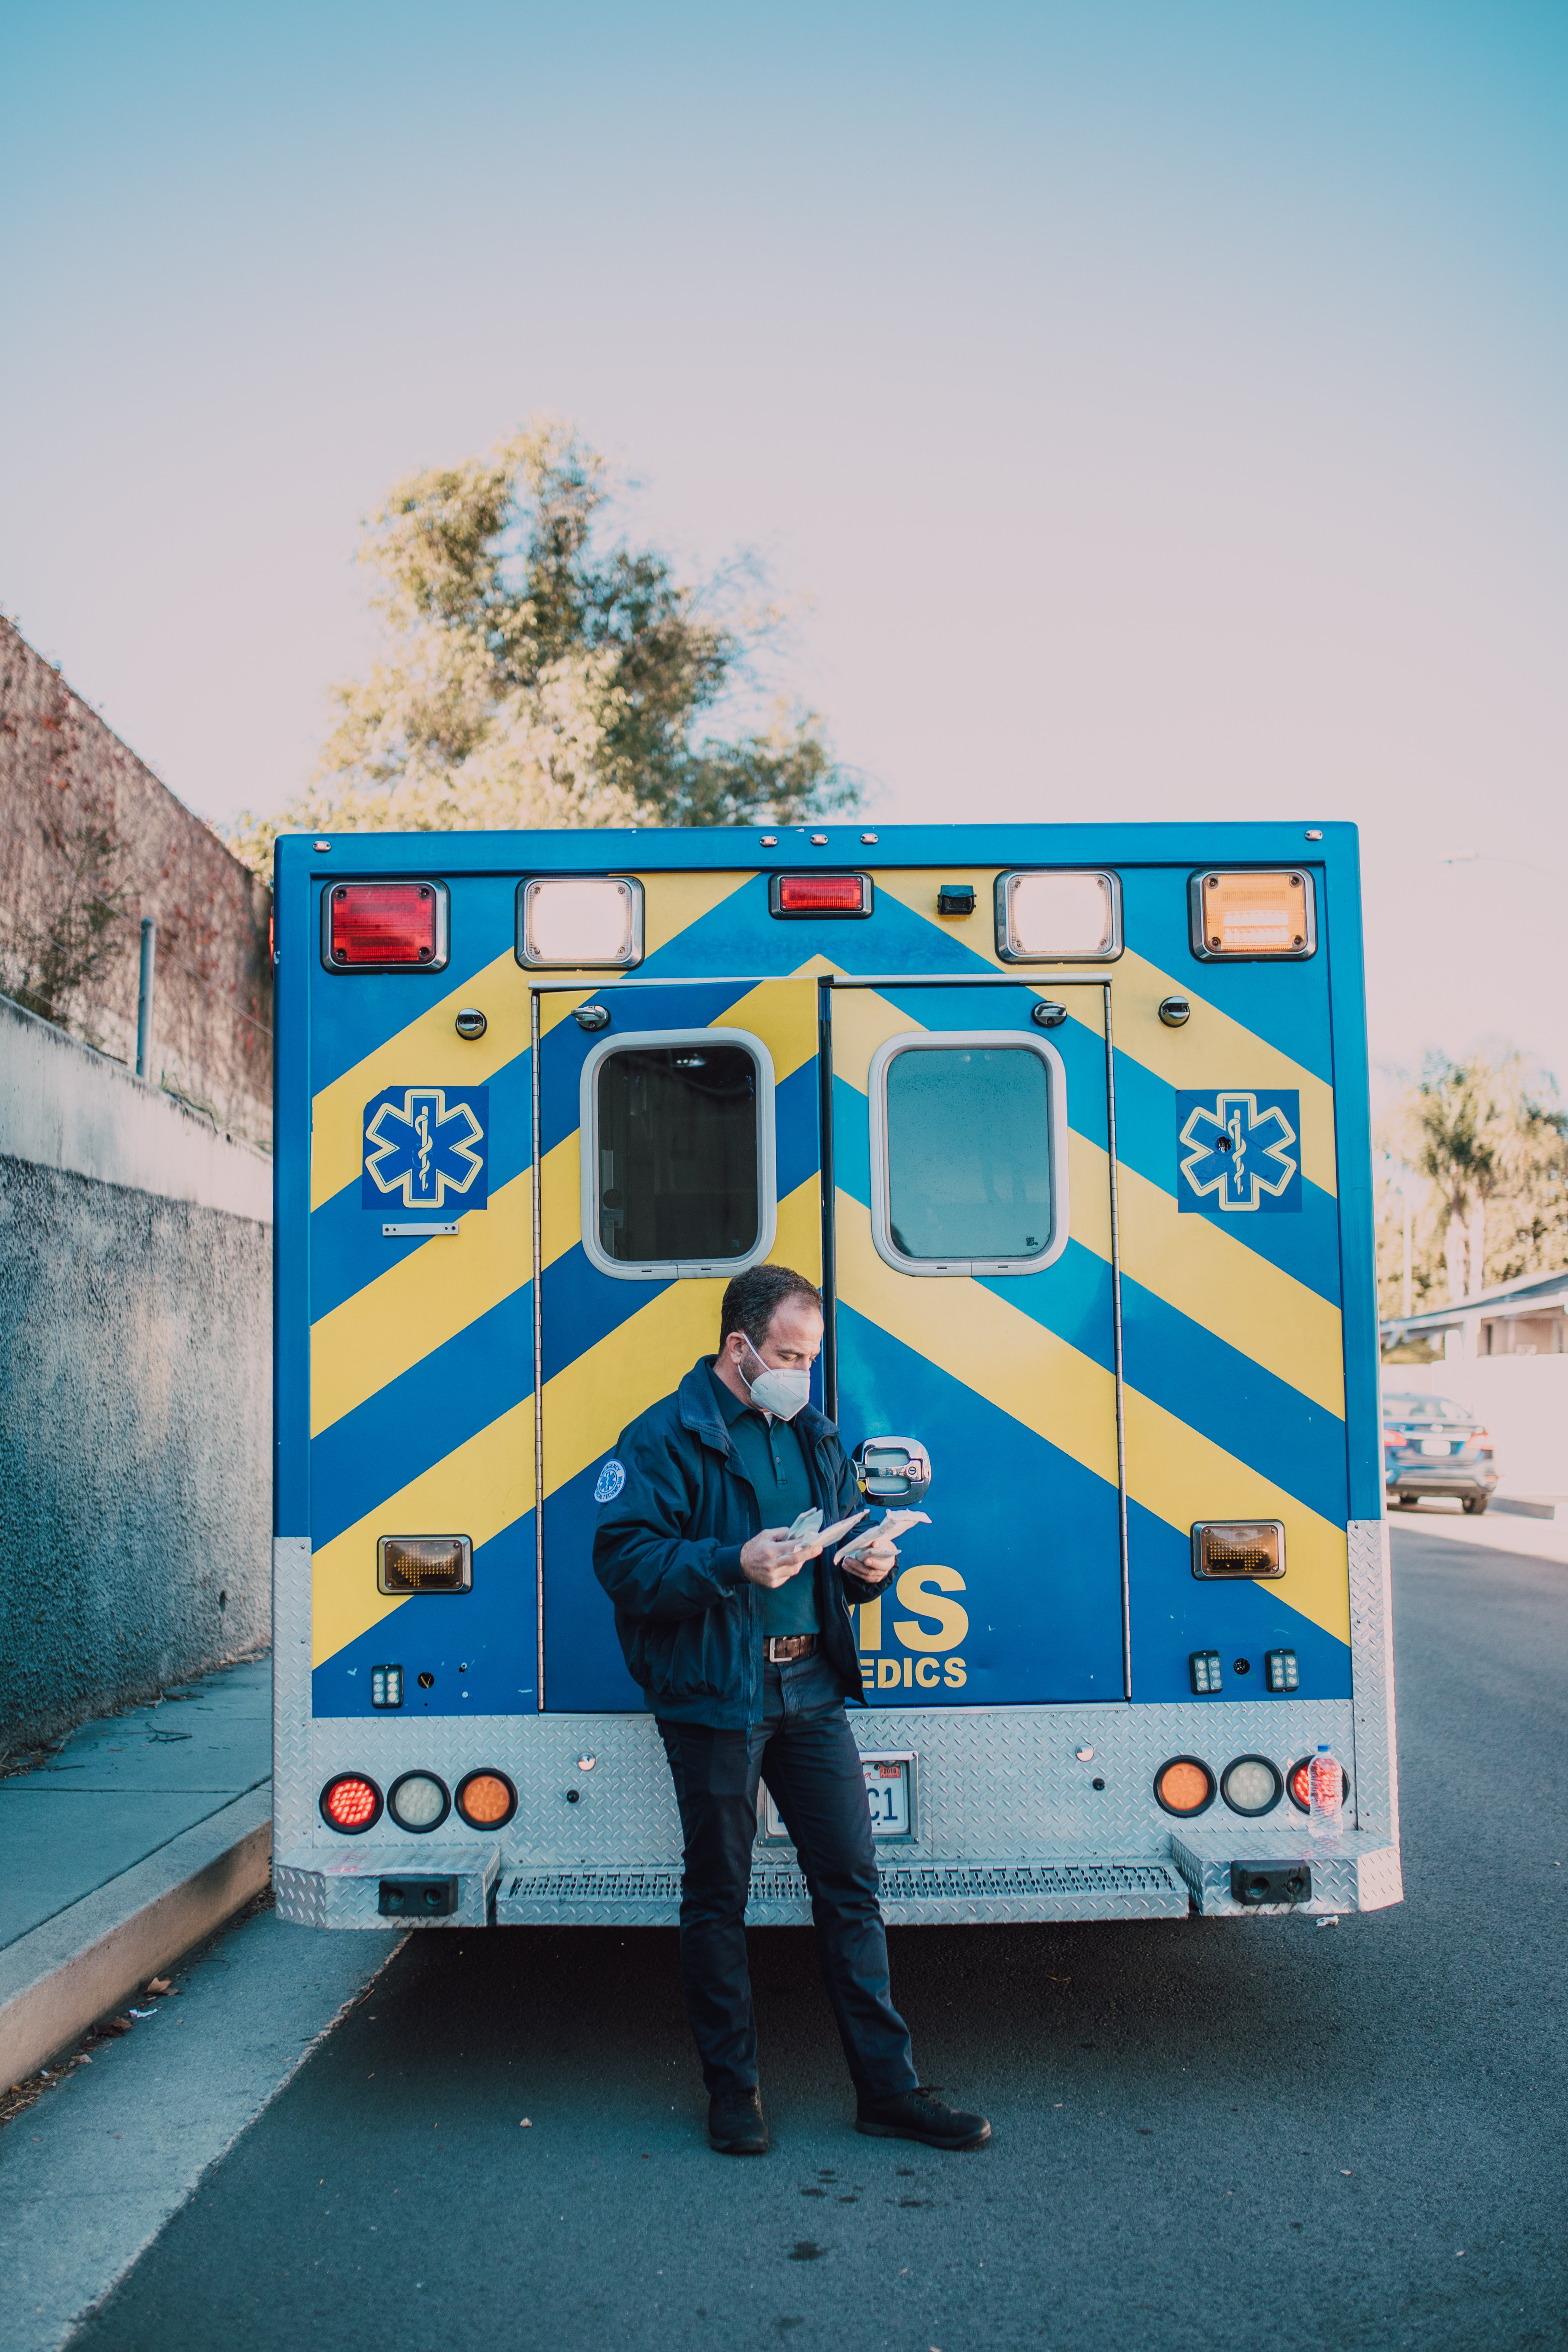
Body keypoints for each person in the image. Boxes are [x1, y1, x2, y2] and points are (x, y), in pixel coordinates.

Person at [592, 1262, 991, 2158]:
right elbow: (625, 1565)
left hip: (809, 1689)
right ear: (739, 1347)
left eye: (810, 1356)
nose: (800, 1373)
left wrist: (862, 1571)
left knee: (852, 1885)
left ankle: (889, 2092)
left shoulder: (814, 1433)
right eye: (787, 1354)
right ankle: (733, 2094)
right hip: (715, 1696)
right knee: (718, 1897)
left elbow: (836, 1545)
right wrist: (733, 1563)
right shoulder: (663, 1438)